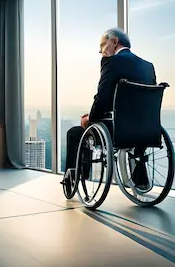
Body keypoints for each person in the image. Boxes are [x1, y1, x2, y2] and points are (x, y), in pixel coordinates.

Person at [62, 27, 157, 193]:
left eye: (102, 45)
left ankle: (75, 179)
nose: (100, 51)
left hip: (118, 131)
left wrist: (90, 119)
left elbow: (103, 97)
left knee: (74, 133)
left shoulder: (111, 62)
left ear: (114, 42)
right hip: (146, 130)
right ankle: (140, 177)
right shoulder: (148, 66)